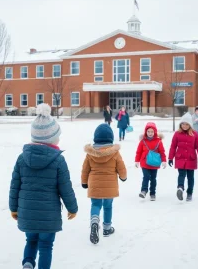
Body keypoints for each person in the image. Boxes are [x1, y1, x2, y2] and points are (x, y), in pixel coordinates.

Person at [9, 103, 78, 269]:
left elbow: (15, 186)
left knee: (31, 240)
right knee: (46, 245)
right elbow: (65, 188)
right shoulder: (58, 160)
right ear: (52, 138)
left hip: (27, 211)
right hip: (48, 216)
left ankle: (27, 263)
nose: (59, 139)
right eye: (57, 137)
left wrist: (14, 208)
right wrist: (72, 208)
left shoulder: (21, 158)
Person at [81, 123, 127, 244]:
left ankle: (94, 222)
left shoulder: (90, 153)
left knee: (95, 205)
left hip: (94, 186)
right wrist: (123, 177)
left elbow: (85, 169)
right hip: (110, 186)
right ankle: (107, 228)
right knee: (108, 206)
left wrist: (84, 182)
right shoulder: (115, 153)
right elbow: (121, 167)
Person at [168, 112, 198, 202]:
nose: (184, 126)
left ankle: (189, 193)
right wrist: (170, 158)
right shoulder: (177, 134)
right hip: (180, 158)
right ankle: (180, 188)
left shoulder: (194, 134)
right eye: (183, 124)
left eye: (186, 124)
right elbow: (173, 146)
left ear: (190, 125)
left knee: (190, 177)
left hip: (191, 158)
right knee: (181, 174)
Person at [135, 122, 167, 201]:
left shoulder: (158, 141)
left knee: (153, 178)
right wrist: (137, 161)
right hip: (144, 162)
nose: (150, 133)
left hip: (154, 163)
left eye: (152, 132)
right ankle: (144, 191)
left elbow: (162, 152)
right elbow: (138, 152)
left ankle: (152, 193)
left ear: (155, 132)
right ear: (146, 132)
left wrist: (164, 160)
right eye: (148, 131)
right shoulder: (142, 141)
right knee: (146, 176)